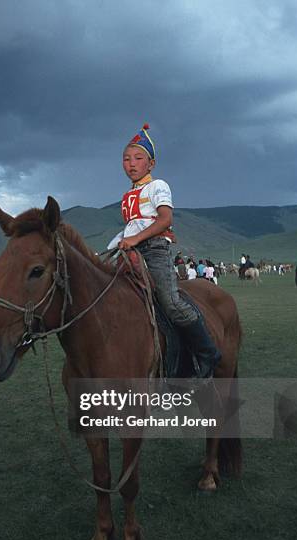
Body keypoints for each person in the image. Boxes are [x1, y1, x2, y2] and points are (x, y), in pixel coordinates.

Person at [107, 123, 221, 378]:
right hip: (130, 247)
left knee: (170, 302)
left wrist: (135, 238)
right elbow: (133, 225)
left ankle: (207, 353)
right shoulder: (128, 194)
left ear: (151, 164)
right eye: (126, 159)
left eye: (138, 158)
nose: (131, 164)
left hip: (154, 248)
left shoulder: (158, 186)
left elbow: (164, 220)